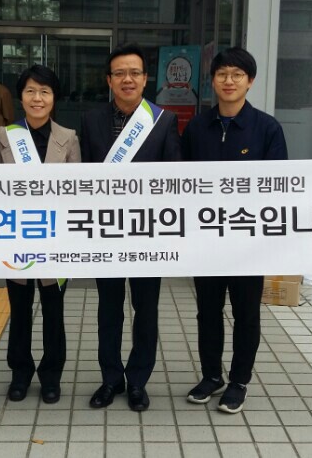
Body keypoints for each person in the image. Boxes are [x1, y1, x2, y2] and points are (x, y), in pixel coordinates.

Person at [181, 47, 288, 414]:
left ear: (250, 81)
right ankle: (211, 375)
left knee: (246, 314)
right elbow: (180, 182)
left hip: (247, 241)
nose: (229, 81)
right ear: (213, 80)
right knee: (207, 312)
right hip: (207, 239)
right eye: (222, 74)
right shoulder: (197, 127)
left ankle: (239, 381)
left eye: (237, 75)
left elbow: (279, 185)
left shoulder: (267, 128)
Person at [81, 43, 180, 412]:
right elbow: (82, 178)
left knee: (145, 309)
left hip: (146, 232)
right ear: (109, 80)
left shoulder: (163, 120)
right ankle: (111, 379)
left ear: (145, 78)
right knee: (108, 309)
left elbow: (174, 179)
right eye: (120, 73)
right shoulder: (91, 120)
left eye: (134, 72)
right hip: (105, 231)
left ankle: (138, 380)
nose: (127, 79)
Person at [0, 65, 80, 405]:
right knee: (19, 310)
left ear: (54, 97)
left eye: (44, 91)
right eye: (30, 91)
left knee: (53, 311)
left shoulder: (69, 137)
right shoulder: (5, 136)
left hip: (56, 241)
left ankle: (51, 375)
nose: (37, 98)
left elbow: (76, 192)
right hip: (17, 239)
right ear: (21, 96)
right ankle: (20, 372)